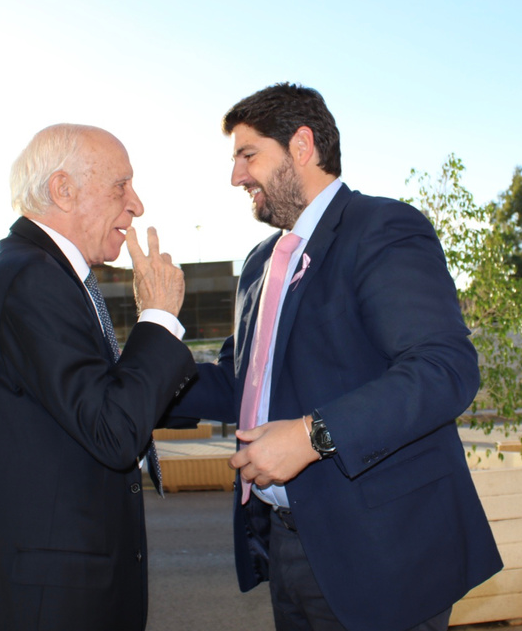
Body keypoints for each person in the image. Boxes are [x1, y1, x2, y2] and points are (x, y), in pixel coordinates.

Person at [172, 83, 502, 631]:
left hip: (383, 556)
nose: (236, 176)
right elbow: (240, 384)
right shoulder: (258, 264)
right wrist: (136, 375)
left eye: (248, 154)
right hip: (285, 546)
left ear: (302, 145)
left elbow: (444, 369)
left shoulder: (383, 229)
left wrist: (310, 436)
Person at [0, 123, 197, 631]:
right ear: (63, 189)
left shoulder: (35, 272)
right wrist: (160, 318)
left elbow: (92, 405)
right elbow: (113, 428)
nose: (137, 204)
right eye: (120, 185)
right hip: (45, 605)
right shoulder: (34, 278)